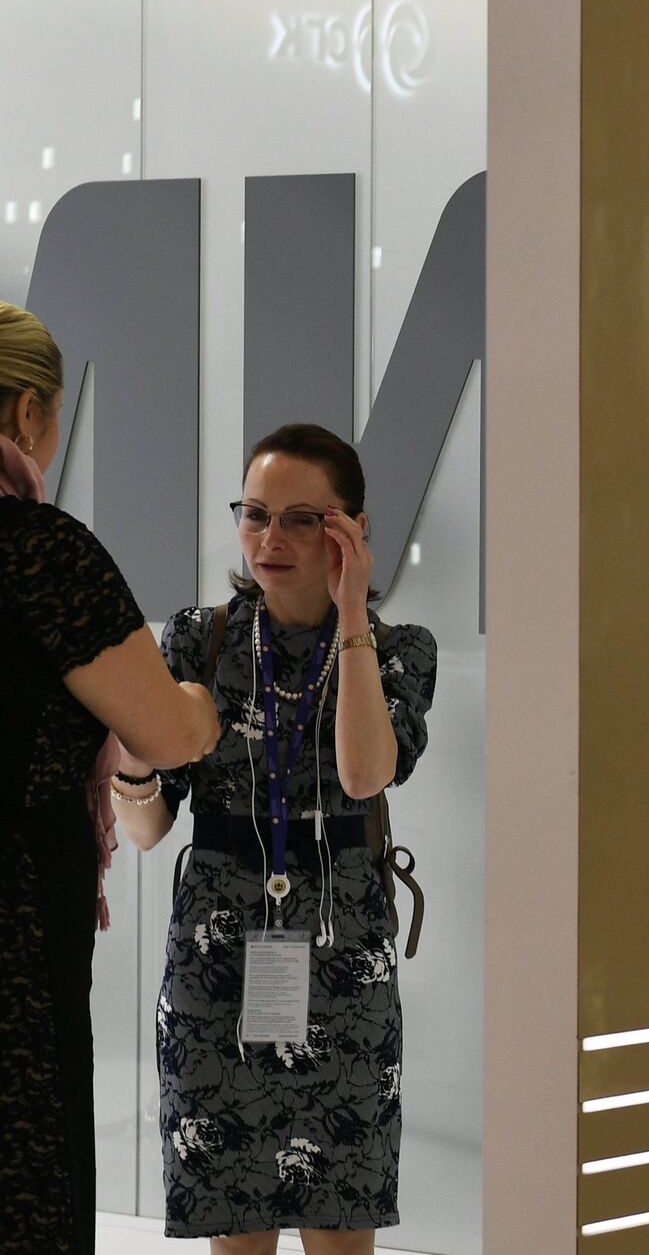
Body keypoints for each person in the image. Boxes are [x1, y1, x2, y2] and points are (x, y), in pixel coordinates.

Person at [114, 423, 436, 1254]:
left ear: (351, 529)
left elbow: (364, 774)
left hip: (343, 963)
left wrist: (353, 611)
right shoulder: (201, 639)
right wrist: (132, 754)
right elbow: (148, 828)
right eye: (255, 513)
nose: (270, 538)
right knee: (237, 1234)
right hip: (217, 966)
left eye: (301, 519)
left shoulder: (398, 651)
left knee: (341, 1234)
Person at [0, 301, 223, 1254]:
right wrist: (199, 700)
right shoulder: (42, 552)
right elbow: (167, 731)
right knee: (26, 1174)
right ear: (29, 414)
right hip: (16, 926)